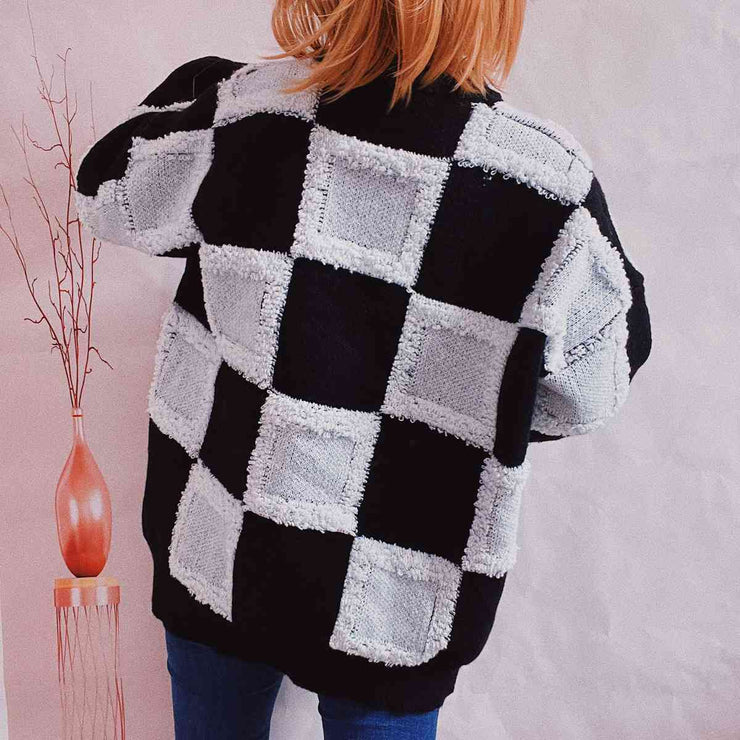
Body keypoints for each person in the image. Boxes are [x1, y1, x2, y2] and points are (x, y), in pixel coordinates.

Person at [74, 0, 652, 737]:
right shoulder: (543, 185)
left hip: (219, 547)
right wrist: (469, 408)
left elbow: (108, 190)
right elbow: (597, 383)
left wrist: (216, 84)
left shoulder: (248, 116)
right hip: (400, 590)